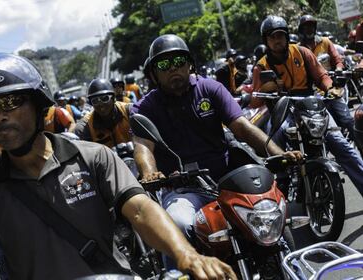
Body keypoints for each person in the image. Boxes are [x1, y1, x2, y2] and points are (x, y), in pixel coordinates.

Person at [0, 53, 237, 280]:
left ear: (39, 106)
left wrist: (186, 255)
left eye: (10, 103)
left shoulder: (94, 158)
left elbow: (139, 209)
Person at [131, 34, 302, 269]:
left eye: (179, 61)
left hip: (229, 182)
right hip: (184, 189)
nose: (174, 69)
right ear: (153, 73)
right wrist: (149, 173)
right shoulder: (146, 107)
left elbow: (241, 127)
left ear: (189, 64)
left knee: (270, 212)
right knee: (177, 224)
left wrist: (277, 152)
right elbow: (143, 147)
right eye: (164, 65)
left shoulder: (209, 88)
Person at [251, 15, 363, 189]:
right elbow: (255, 102)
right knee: (277, 134)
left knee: (340, 144)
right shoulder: (261, 66)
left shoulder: (302, 52)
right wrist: (267, 88)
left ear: (286, 36)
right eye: (271, 37)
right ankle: (282, 178)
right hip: (283, 108)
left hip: (311, 102)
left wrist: (330, 88)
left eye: (280, 35)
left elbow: (321, 76)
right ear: (266, 40)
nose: (276, 40)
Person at [297, 14, 356, 142]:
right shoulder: (298, 49)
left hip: (331, 88)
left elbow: (337, 60)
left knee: (347, 118)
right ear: (301, 29)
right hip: (313, 93)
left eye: (311, 26)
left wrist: (338, 70)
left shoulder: (325, 42)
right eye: (306, 27)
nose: (309, 29)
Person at [75, 79, 132, 148]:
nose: (101, 105)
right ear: (91, 104)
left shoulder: (129, 111)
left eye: (105, 98)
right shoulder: (86, 127)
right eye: (95, 101)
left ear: (113, 98)